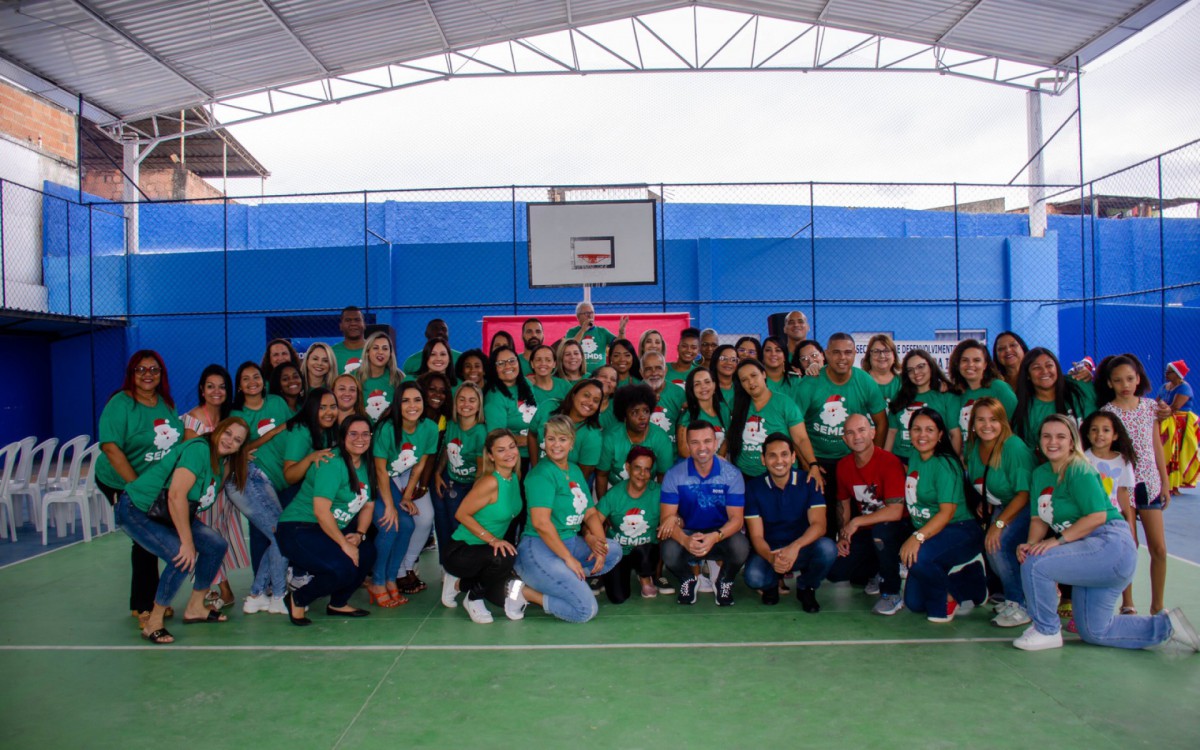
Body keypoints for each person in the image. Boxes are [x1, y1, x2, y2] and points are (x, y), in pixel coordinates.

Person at [1013, 414, 1198, 653]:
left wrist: (1055, 542)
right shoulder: (1040, 474)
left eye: (1061, 436)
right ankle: (1167, 626)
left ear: (1072, 442)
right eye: (1047, 436)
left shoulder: (1079, 469)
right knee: (1094, 630)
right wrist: (1030, 543)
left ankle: (1046, 630)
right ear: (1039, 441)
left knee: (1036, 564)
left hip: (1109, 545)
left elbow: (1097, 517)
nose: (1053, 442)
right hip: (1089, 553)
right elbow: (1039, 518)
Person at [114, 417, 250, 643]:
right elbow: (176, 495)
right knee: (182, 556)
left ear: (240, 448)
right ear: (217, 431)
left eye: (237, 440)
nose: (230, 441)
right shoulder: (199, 450)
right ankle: (154, 622)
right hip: (137, 509)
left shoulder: (221, 463)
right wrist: (187, 543)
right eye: (227, 433)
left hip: (168, 512)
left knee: (215, 545)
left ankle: (196, 607)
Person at [96, 350, 185, 625]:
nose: (148, 374)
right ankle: (144, 605)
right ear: (132, 374)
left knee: (149, 537)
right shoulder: (120, 404)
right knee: (144, 537)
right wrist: (135, 487)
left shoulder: (165, 404)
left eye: (154, 370)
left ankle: (147, 600)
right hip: (120, 480)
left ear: (161, 375)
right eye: (141, 369)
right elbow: (111, 448)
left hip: (150, 483)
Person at [508, 416, 623, 623]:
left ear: (572, 442)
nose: (556, 445)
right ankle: (525, 592)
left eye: (562, 439)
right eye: (551, 439)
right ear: (544, 442)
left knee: (613, 550)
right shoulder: (541, 474)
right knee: (585, 611)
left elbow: (589, 513)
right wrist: (569, 559)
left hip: (569, 543)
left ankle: (566, 581)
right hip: (540, 548)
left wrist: (600, 546)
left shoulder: (575, 470)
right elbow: (541, 524)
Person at [275, 416, 377, 626]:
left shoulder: (368, 464)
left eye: (365, 434)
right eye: (353, 433)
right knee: (343, 568)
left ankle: (338, 604)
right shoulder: (332, 463)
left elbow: (368, 504)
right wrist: (345, 545)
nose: (360, 439)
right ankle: (298, 599)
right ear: (342, 437)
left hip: (327, 529)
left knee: (367, 552)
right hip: (299, 528)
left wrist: (359, 535)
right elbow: (321, 512)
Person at [1097, 354, 1171, 614]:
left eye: (1129, 379)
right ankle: (1127, 602)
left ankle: (1157, 605)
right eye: (1118, 380)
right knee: (1129, 546)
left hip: (1148, 485)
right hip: (1121, 487)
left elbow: (1156, 446)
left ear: (1138, 379)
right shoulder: (1107, 413)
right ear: (1109, 383)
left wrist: (1165, 481)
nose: (1125, 384)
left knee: (1159, 548)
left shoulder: (1151, 407)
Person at [899, 408, 987, 623]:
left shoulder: (945, 464)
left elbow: (947, 513)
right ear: (909, 432)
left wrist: (917, 537)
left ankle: (967, 586)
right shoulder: (914, 456)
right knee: (914, 603)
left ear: (940, 435)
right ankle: (968, 576)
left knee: (918, 559)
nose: (922, 435)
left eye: (930, 430)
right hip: (933, 533)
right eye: (917, 429)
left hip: (959, 529)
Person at [743, 433, 837, 612]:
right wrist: (772, 558)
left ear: (793, 457)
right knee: (754, 577)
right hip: (771, 551)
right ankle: (771, 585)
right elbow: (756, 536)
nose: (779, 460)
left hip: (801, 549)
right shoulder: (753, 488)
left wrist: (795, 547)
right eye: (772, 455)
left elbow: (819, 526)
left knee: (827, 548)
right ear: (763, 459)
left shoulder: (809, 482)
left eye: (784, 454)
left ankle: (806, 587)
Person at [828, 414, 911, 615]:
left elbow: (895, 511)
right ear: (844, 439)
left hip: (897, 527)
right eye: (850, 432)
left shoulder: (889, 462)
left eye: (862, 430)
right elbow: (844, 503)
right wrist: (843, 535)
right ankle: (878, 569)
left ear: (873, 433)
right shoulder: (844, 465)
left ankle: (891, 593)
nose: (857, 436)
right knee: (836, 571)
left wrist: (855, 522)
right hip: (868, 529)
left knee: (882, 532)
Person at [227, 362, 292, 615]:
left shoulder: (276, 402)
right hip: (249, 479)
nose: (252, 381)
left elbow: (290, 432)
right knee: (280, 535)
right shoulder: (237, 414)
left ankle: (256, 594)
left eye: (257, 376)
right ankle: (277, 596)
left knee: (279, 535)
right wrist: (273, 431)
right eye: (246, 379)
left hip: (272, 480)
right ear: (240, 386)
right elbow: (237, 448)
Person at [660, 421, 749, 606]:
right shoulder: (674, 475)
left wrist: (714, 537)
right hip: (689, 533)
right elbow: (666, 520)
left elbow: (737, 520)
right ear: (687, 445)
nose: (702, 448)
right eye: (695, 442)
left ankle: (724, 581)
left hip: (719, 533)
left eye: (707, 441)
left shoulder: (732, 475)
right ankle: (688, 579)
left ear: (716, 443)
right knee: (668, 549)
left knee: (741, 546)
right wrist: (685, 540)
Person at [442, 429, 525, 623]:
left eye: (512, 447)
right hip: (461, 551)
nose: (509, 453)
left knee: (502, 596)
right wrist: (494, 540)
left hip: (485, 553)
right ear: (491, 455)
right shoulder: (489, 482)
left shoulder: (514, 478)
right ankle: (473, 599)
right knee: (506, 556)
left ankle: (457, 584)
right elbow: (461, 514)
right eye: (501, 450)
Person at [964, 398, 1034, 627]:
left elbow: (1024, 493)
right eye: (981, 419)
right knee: (992, 549)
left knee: (999, 545)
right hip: (1004, 504)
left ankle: (1020, 604)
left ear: (1003, 422)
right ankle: (1013, 597)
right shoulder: (974, 446)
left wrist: (999, 524)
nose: (987, 425)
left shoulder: (1013, 447)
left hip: (1027, 505)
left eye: (993, 420)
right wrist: (988, 502)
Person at [181, 365, 246, 612]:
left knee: (220, 539)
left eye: (221, 386)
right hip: (202, 495)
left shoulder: (229, 418)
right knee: (208, 541)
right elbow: (192, 465)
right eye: (210, 386)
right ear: (202, 389)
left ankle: (220, 589)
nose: (216, 391)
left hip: (221, 491)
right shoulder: (193, 421)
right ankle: (217, 590)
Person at [372, 381, 439, 604]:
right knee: (391, 525)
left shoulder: (429, 427)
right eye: (406, 400)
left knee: (409, 524)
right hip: (378, 478)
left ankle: (393, 578)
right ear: (397, 404)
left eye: (417, 400)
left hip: (400, 477)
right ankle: (378, 581)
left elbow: (420, 465)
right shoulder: (387, 428)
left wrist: (408, 495)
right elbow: (380, 470)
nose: (412, 405)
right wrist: (391, 506)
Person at [432, 381, 488, 605]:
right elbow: (446, 451)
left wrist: (472, 498)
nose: (466, 404)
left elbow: (481, 469)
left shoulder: (480, 431)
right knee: (443, 526)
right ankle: (448, 568)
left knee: (460, 529)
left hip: (468, 487)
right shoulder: (452, 424)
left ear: (478, 405)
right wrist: (438, 472)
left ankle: (460, 569)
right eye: (462, 399)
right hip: (450, 481)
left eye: (472, 400)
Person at [727, 359, 821, 489]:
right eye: (744, 380)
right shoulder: (736, 404)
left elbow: (801, 438)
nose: (751, 382)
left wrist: (813, 464)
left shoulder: (785, 403)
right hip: (746, 475)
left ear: (764, 374)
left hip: (782, 475)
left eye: (754, 375)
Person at [1081, 411, 1139, 615]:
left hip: (1114, 521)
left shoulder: (1123, 461)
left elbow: (1123, 493)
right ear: (1087, 435)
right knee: (1090, 565)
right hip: (1089, 520)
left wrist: (1130, 523)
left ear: (1115, 435)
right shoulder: (1082, 459)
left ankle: (1127, 601)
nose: (1100, 435)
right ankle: (1089, 608)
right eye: (1094, 430)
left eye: (1106, 430)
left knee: (1122, 559)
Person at [597, 447, 662, 603]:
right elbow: (593, 522)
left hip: (645, 550)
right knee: (617, 597)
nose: (642, 474)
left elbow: (676, 516)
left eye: (647, 470)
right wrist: (594, 540)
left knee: (644, 553)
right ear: (627, 467)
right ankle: (610, 575)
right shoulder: (614, 494)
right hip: (620, 551)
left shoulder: (658, 492)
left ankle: (646, 578)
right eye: (637, 468)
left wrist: (675, 519)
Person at [596, 383, 676, 498]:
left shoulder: (661, 438)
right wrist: (603, 509)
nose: (642, 417)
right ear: (624, 415)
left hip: (648, 487)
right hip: (613, 487)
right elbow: (602, 475)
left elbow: (663, 477)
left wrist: (657, 506)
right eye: (634, 412)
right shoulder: (610, 437)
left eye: (646, 411)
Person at [1011, 347, 1097, 451]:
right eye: (1036, 368)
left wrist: (1091, 372)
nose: (1044, 371)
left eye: (1049, 365)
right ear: (1028, 375)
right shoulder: (1026, 412)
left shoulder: (1080, 385)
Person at [886, 349, 962, 462]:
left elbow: (954, 434)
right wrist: (884, 462)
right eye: (910, 370)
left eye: (921, 366)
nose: (916, 373)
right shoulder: (900, 397)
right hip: (901, 459)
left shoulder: (946, 396)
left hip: (935, 460)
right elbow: (892, 432)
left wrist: (950, 464)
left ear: (931, 366)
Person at [528, 378, 605, 482]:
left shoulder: (592, 436)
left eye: (596, 401)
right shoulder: (549, 407)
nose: (590, 402)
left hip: (566, 485)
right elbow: (532, 434)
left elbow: (582, 477)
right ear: (574, 395)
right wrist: (535, 467)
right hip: (538, 472)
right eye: (586, 395)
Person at [281, 388, 339, 509]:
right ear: (312, 409)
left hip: (311, 487)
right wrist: (310, 458)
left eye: (333, 407)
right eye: (322, 408)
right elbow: (289, 477)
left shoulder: (331, 429)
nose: (329, 412)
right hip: (288, 490)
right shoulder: (301, 431)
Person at [483, 345, 539, 469]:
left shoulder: (526, 383)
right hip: (514, 459)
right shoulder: (494, 397)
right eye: (501, 363)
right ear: (494, 368)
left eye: (512, 361)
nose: (508, 366)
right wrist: (533, 440)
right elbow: (497, 437)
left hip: (535, 452)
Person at [949, 338, 1017, 434]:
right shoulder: (957, 393)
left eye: (976, 360)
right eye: (965, 360)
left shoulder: (999, 388)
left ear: (985, 364)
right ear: (958, 364)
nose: (970, 365)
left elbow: (1017, 422)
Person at [1156, 359, 1198, 493]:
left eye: (1169, 372)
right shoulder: (1164, 387)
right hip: (1165, 421)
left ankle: (1173, 486)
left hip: (1180, 426)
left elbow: (1174, 407)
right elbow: (1155, 402)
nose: (1166, 373)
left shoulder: (1184, 388)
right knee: (1163, 451)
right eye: (1166, 371)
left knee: (1175, 453)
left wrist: (1161, 408)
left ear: (1178, 374)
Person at [677, 367, 730, 458]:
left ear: (714, 385)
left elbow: (728, 438)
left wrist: (720, 458)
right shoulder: (687, 415)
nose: (703, 387)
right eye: (697, 384)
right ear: (692, 390)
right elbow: (683, 451)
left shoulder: (724, 408)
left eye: (707, 382)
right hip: (697, 466)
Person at [566, 301, 628, 374]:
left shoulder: (602, 331)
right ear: (578, 317)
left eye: (592, 313)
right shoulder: (572, 332)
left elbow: (620, 345)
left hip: (600, 375)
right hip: (580, 375)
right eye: (586, 313)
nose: (590, 316)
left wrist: (621, 332)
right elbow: (570, 347)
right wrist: (583, 330)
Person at [357, 331, 405, 423]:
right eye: (375, 348)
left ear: (390, 353)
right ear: (367, 352)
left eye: (385, 348)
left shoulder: (399, 377)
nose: (380, 352)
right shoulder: (356, 377)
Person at [641, 351, 686, 448]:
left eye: (658, 368)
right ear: (641, 372)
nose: (654, 373)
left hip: (673, 456)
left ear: (665, 370)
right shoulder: (633, 393)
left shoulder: (679, 393)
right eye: (648, 369)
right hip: (642, 455)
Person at [861, 333, 901, 409]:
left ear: (894, 356)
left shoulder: (903, 383)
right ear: (869, 356)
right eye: (876, 351)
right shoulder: (861, 382)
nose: (882, 356)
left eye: (886, 351)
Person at [762, 335, 803, 403]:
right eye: (768, 350)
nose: (773, 354)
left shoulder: (795, 380)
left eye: (778, 350)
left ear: (784, 356)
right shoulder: (757, 381)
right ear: (762, 355)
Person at [330, 306, 367, 375]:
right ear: (340, 326)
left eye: (357, 320)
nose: (353, 323)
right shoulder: (331, 353)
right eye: (348, 320)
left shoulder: (374, 350)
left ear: (364, 324)